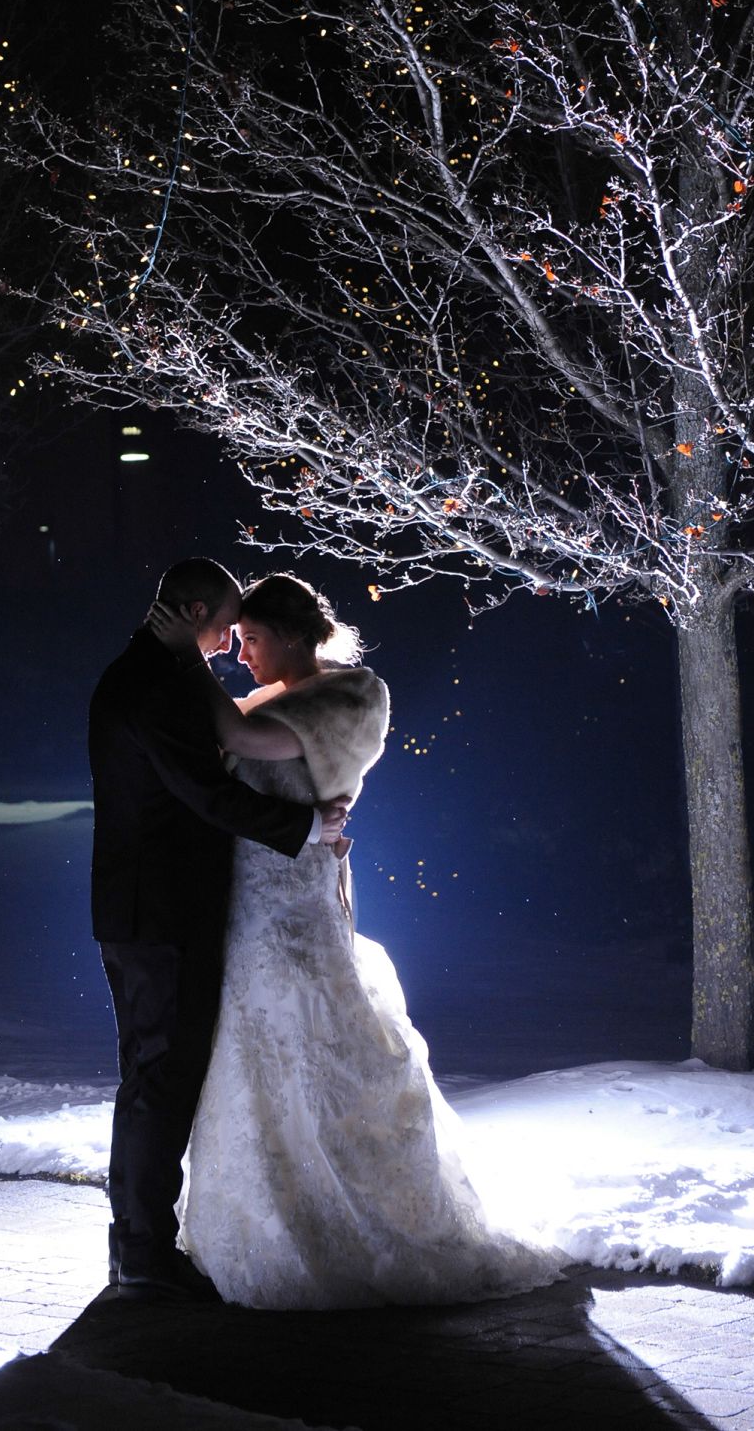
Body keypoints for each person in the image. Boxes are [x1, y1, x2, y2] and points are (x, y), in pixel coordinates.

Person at [148, 572, 560, 1310]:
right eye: (232, 641)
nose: (240, 654)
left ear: (291, 632)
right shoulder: (269, 698)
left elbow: (236, 737)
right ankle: (270, 1216)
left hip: (291, 904)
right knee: (258, 1055)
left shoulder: (349, 696)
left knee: (313, 1045)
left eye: (248, 639)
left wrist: (185, 656)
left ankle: (340, 1224)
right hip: (248, 901)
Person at [88, 557, 351, 1303]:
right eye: (226, 622)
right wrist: (306, 827)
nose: (230, 641)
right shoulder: (159, 682)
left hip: (138, 908)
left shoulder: (135, 673)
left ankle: (133, 1241)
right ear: (195, 609)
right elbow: (205, 795)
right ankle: (142, 1249)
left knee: (148, 1077)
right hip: (164, 912)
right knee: (162, 1082)